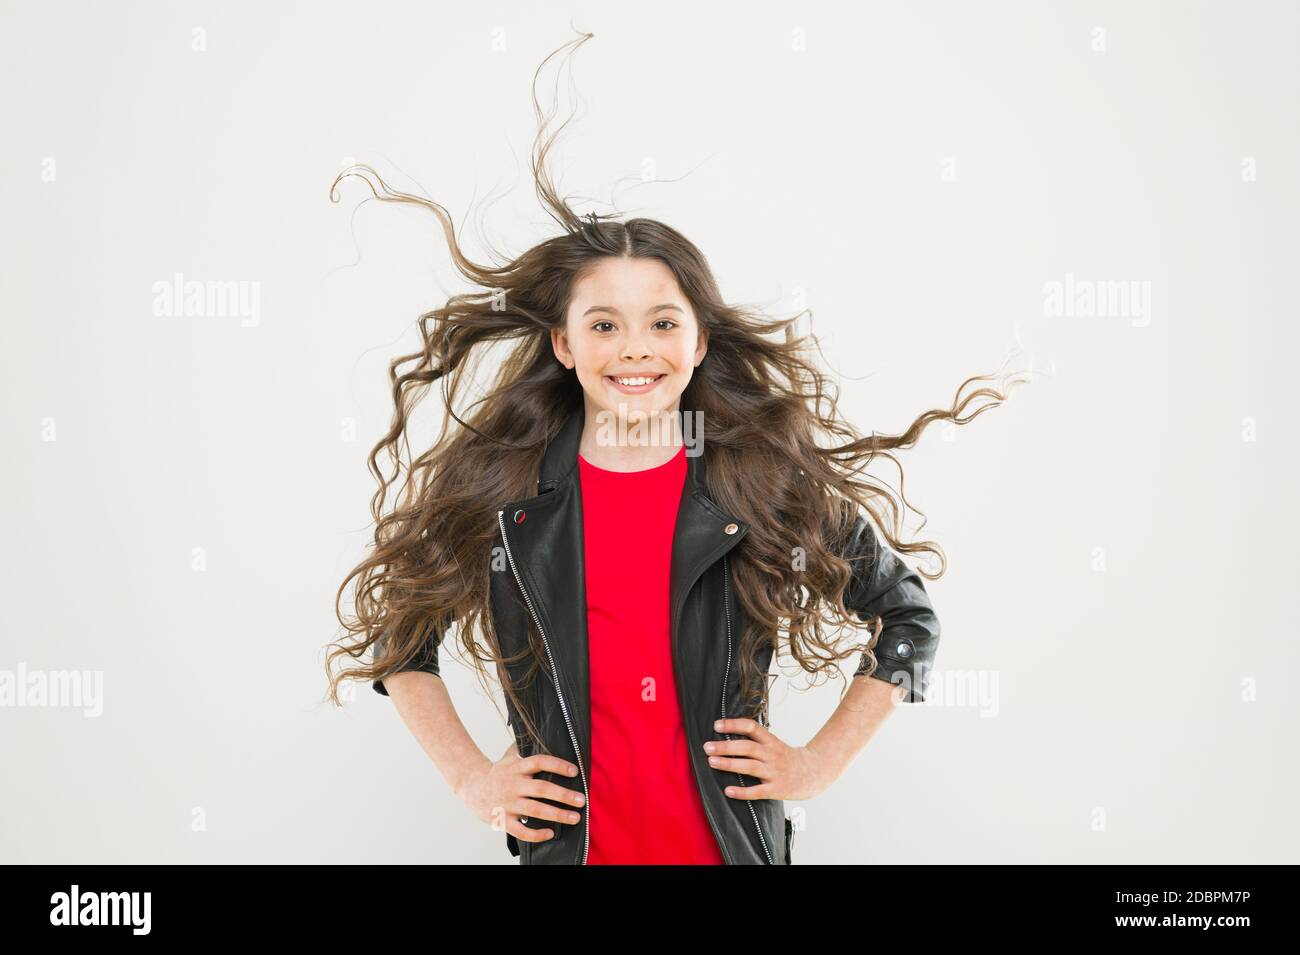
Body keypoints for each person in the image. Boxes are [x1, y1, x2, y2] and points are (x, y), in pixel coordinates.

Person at [323, 32, 1025, 864]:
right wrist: (473, 780)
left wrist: (820, 763)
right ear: (562, 344)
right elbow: (402, 640)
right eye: (604, 324)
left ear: (696, 344)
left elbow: (909, 617)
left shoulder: (754, 479)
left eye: (663, 323)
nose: (635, 349)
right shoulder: (506, 486)